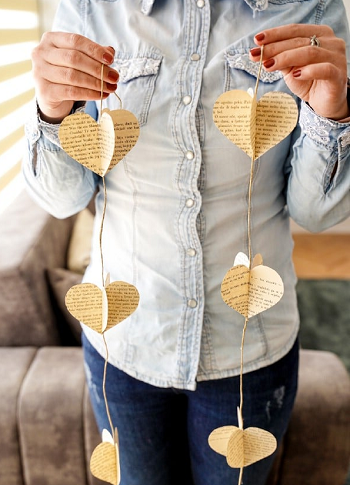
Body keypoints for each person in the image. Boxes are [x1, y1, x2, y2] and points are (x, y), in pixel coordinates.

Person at [24, 1, 350, 484]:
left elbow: (315, 211)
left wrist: (333, 112)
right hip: (126, 342)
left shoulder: (313, 9)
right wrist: (52, 111)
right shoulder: (91, 7)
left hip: (251, 350)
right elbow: (64, 197)